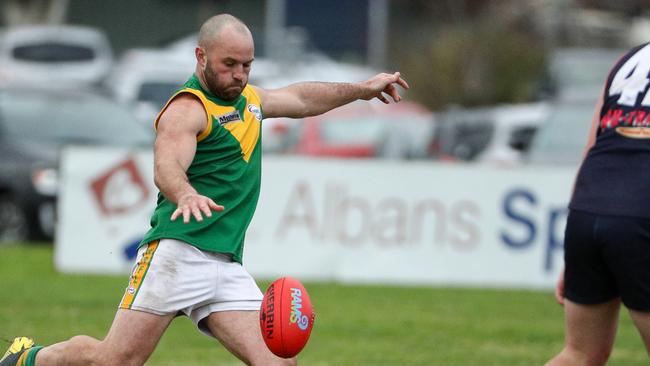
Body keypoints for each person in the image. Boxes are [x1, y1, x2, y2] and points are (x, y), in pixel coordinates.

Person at [0, 13, 409, 366]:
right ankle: (32, 357)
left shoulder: (248, 100)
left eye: (246, 65)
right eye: (229, 64)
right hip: (176, 253)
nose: (239, 75)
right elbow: (167, 166)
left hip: (225, 264)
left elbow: (301, 97)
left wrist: (361, 89)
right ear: (201, 56)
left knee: (278, 359)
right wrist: (185, 193)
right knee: (116, 359)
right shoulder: (187, 108)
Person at [546, 43, 650, 365]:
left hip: (589, 210)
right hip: (642, 214)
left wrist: (580, 253)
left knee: (579, 355)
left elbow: (591, 149)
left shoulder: (631, 59)